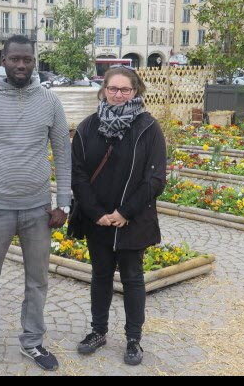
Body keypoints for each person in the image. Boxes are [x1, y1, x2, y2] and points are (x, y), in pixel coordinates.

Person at [0, 35, 71, 372]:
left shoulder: (51, 102)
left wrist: (63, 203)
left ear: (34, 61)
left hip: (38, 209)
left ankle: (33, 341)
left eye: (27, 59)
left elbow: (63, 154)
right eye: (14, 59)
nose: (21, 65)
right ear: (3, 60)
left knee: (37, 279)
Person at [70, 65, 166, 366]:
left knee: (133, 279)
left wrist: (125, 212)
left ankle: (133, 339)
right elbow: (78, 175)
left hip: (132, 220)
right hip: (98, 220)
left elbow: (155, 179)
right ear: (104, 90)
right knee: (100, 276)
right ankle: (98, 332)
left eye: (125, 89)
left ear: (135, 91)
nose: (119, 94)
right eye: (113, 88)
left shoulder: (148, 128)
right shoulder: (87, 127)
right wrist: (97, 214)